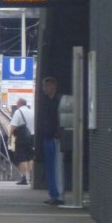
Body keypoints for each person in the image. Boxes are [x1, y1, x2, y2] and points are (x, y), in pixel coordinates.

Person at [39, 76, 64, 205]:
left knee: (56, 167)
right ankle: (53, 193)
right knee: (50, 167)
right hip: (47, 137)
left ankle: (58, 195)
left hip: (54, 138)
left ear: (53, 86)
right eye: (44, 86)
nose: (44, 88)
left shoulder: (58, 101)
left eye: (46, 85)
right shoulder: (48, 101)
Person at [8, 97, 34, 185]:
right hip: (32, 137)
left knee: (22, 158)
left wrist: (10, 137)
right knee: (30, 157)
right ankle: (31, 176)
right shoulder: (32, 112)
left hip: (22, 138)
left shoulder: (18, 112)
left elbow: (13, 126)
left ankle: (24, 178)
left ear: (19, 104)